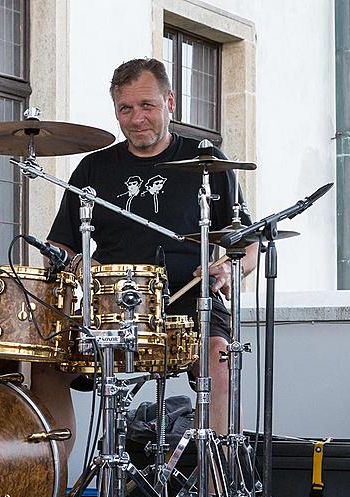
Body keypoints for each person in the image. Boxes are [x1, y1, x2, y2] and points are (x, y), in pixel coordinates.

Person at [35, 57, 258, 440]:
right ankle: (54, 482)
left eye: (147, 106)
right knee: (45, 364)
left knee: (220, 358)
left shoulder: (207, 162)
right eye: (125, 109)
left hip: (188, 299)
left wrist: (228, 268)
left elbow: (248, 244)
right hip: (111, 302)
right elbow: (58, 245)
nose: (137, 118)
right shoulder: (93, 169)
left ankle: (212, 487)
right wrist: (79, 264)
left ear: (170, 102)